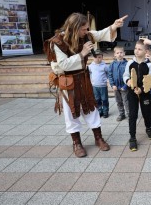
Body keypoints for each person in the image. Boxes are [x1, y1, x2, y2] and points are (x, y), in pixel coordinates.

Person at [45, 12, 127, 157]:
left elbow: (101, 34)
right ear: (74, 28)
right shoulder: (57, 42)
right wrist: (82, 54)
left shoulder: (85, 35)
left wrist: (114, 25)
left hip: (83, 79)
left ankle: (98, 138)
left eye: (87, 29)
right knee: (71, 112)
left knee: (91, 108)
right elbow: (62, 65)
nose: (87, 32)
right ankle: (77, 143)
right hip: (68, 81)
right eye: (84, 29)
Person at [123, 40, 151, 151]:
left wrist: (142, 90)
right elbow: (125, 75)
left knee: (146, 112)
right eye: (136, 48)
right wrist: (128, 81)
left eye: (140, 49)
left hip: (144, 93)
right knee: (132, 115)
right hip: (132, 93)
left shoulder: (149, 65)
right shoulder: (129, 63)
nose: (136, 51)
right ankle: (132, 137)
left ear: (146, 51)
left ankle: (148, 128)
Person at [108, 45, 129, 121]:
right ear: (115, 54)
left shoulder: (127, 64)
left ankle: (129, 114)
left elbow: (129, 76)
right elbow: (110, 75)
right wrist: (112, 85)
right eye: (117, 53)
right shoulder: (112, 65)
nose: (119, 54)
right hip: (116, 87)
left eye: (121, 52)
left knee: (126, 101)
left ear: (124, 53)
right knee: (118, 101)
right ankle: (121, 114)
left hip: (124, 87)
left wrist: (126, 86)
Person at [88, 49, 110, 118]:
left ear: (102, 57)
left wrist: (108, 81)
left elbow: (108, 73)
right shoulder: (91, 66)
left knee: (104, 99)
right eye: (96, 57)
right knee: (97, 99)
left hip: (103, 85)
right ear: (93, 58)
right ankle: (99, 111)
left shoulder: (105, 66)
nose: (98, 59)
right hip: (95, 86)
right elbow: (89, 74)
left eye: (99, 57)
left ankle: (105, 111)